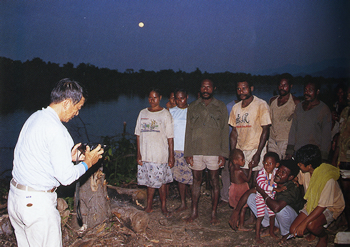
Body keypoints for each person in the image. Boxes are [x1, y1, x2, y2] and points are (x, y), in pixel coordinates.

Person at [7, 78, 104, 247]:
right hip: (37, 206)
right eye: (77, 107)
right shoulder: (57, 130)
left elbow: (37, 154)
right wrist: (87, 163)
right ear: (66, 103)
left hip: (17, 200)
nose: (77, 113)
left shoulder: (36, 117)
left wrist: (71, 158)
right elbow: (66, 178)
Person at [184, 79, 229, 225]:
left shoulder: (220, 106)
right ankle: (194, 212)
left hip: (214, 150)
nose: (205, 89)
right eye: (203, 86)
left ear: (213, 88)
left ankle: (214, 213)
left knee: (214, 181)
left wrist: (223, 153)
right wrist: (188, 152)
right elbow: (188, 130)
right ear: (200, 88)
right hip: (196, 150)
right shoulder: (193, 106)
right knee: (196, 181)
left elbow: (224, 131)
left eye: (208, 87)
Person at [229, 159, 304, 243]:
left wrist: (262, 192)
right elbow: (249, 192)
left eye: (283, 173)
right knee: (252, 197)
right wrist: (236, 211)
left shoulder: (291, 188)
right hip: (277, 217)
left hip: (292, 221)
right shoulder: (272, 179)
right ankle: (271, 226)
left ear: (290, 177)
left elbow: (276, 208)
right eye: (279, 170)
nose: (278, 173)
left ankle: (286, 232)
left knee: (280, 209)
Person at [290, 144, 345, 247]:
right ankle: (314, 230)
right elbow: (299, 181)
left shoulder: (327, 179)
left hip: (330, 206)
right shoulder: (305, 171)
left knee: (311, 225)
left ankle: (323, 236)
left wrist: (304, 223)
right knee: (294, 230)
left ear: (309, 165)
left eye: (300, 164)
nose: (298, 165)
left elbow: (322, 206)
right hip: (312, 203)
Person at [135, 88, 174, 216]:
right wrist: (139, 154)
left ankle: (163, 206)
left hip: (160, 154)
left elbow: (170, 137)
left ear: (160, 98)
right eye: (150, 98)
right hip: (146, 154)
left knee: (161, 182)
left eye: (155, 98)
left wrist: (171, 156)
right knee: (149, 183)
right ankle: (149, 206)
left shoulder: (165, 114)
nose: (152, 100)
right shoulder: (142, 113)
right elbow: (138, 135)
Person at [229, 80, 271, 187]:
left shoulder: (261, 105)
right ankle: (246, 203)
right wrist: (233, 153)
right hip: (241, 151)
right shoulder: (235, 107)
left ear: (251, 88)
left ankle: (256, 203)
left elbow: (266, 130)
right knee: (243, 182)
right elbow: (234, 132)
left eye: (244, 88)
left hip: (255, 149)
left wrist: (258, 153)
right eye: (238, 89)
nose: (241, 91)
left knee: (256, 182)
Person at [286, 81, 332, 160]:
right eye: (305, 90)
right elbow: (293, 129)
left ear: (317, 92)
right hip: (298, 151)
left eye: (310, 90)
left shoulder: (324, 110)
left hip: (312, 154)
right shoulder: (299, 106)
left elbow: (326, 136)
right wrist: (290, 151)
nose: (306, 93)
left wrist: (324, 157)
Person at [169, 89, 193, 212]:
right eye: (177, 99)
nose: (180, 101)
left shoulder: (192, 111)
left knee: (193, 178)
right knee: (180, 179)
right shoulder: (172, 112)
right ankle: (183, 203)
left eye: (182, 98)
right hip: (176, 150)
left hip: (189, 149)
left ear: (187, 97)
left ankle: (195, 205)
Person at [268, 73, 300, 159]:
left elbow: (298, 126)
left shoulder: (295, 102)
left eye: (285, 85)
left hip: (286, 141)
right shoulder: (272, 101)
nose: (282, 87)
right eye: (280, 85)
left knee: (285, 166)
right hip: (272, 140)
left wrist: (292, 146)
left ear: (291, 86)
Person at [332, 84, 350, 230]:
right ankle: (344, 220)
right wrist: (335, 158)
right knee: (344, 192)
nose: (347, 95)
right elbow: (340, 136)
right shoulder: (345, 112)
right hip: (344, 159)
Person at [255, 152, 280, 243]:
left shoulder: (276, 171)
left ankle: (271, 232)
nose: (267, 166)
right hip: (261, 198)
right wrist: (274, 188)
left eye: (270, 164)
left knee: (272, 215)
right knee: (260, 216)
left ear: (276, 164)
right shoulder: (262, 172)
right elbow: (261, 185)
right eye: (265, 163)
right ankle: (257, 236)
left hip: (271, 197)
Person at [228, 148, 252, 231]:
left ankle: (235, 221)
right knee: (243, 208)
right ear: (235, 161)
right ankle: (241, 225)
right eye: (242, 159)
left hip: (234, 188)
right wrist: (251, 169)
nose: (244, 161)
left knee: (236, 206)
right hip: (241, 189)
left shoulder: (231, 168)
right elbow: (248, 179)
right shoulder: (240, 171)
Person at [220, 99, 236, 204]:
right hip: (229, 145)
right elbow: (224, 128)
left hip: (245, 145)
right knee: (226, 170)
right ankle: (225, 196)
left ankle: (238, 197)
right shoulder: (229, 106)